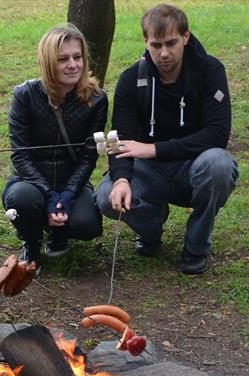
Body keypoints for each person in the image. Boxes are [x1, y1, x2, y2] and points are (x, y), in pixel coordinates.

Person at [95, 3, 239, 274]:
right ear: (145, 42)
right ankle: (151, 228)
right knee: (106, 196)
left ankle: (196, 247)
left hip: (193, 168)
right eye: (156, 44)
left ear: (186, 37)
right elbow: (120, 139)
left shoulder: (210, 71)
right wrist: (122, 180)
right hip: (148, 173)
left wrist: (153, 149)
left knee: (220, 165)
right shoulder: (129, 80)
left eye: (171, 43)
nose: (164, 53)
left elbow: (217, 134)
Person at [3, 24, 106, 273]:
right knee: (22, 200)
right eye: (63, 59)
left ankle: (58, 231)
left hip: (72, 179)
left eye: (77, 57)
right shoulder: (24, 96)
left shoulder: (96, 98)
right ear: (48, 62)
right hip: (30, 180)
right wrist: (49, 195)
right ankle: (31, 241)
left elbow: (88, 156)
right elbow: (20, 156)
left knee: (88, 224)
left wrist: (68, 195)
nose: (73, 64)